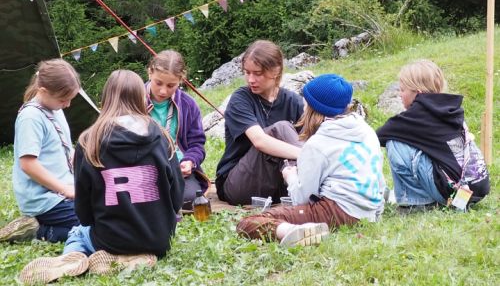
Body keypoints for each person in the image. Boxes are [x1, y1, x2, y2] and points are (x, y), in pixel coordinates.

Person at [19, 69, 184, 285]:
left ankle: (74, 255)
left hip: (109, 239)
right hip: (159, 239)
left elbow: (84, 213)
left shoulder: (90, 141)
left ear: (105, 98)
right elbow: (177, 196)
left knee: (78, 232)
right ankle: (132, 258)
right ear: (142, 97)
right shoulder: (162, 137)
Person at [237, 74, 385, 247]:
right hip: (369, 211)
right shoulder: (367, 131)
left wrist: (291, 176)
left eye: (306, 101)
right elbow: (379, 180)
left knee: (248, 223)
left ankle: (293, 231)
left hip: (338, 211)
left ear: (314, 107)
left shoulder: (318, 144)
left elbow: (301, 198)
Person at [377, 60, 490, 213]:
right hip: (476, 186)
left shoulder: (415, 116)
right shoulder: (449, 108)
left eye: (402, 90)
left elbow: (378, 136)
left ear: (418, 93)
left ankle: (414, 202)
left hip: (453, 192)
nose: (400, 94)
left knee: (394, 143)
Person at [0, 59, 81, 244]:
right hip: (45, 199)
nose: (68, 104)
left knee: (106, 210)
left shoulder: (55, 109)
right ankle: (37, 231)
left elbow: (63, 147)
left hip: (65, 189)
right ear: (43, 91)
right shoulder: (31, 117)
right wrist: (65, 189)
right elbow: (28, 164)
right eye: (63, 99)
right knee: (94, 225)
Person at [215, 40, 304, 206]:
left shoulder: (294, 101)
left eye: (257, 73)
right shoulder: (240, 99)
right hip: (238, 184)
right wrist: (306, 155)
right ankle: (305, 189)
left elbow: (309, 140)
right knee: (281, 128)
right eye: (247, 72)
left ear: (276, 71)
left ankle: (303, 187)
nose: (251, 79)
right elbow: (260, 141)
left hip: (280, 183)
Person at [146, 50, 208, 208]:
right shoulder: (134, 99)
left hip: (177, 169)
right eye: (158, 83)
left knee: (189, 199)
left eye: (171, 86)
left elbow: (197, 144)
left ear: (181, 80)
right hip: (145, 169)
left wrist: (189, 161)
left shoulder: (188, 104)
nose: (163, 91)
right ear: (150, 73)